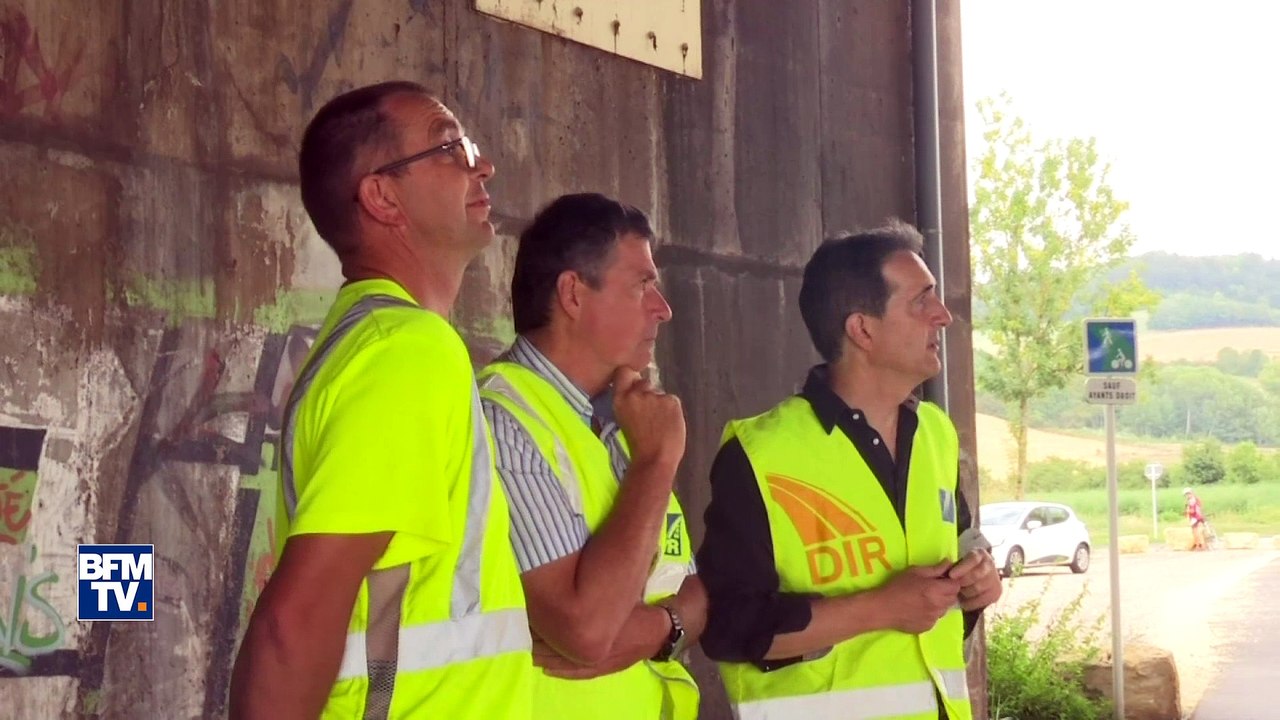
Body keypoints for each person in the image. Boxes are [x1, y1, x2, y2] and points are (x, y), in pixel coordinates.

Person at [229, 81, 532, 719]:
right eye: (449, 148)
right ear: (382, 196)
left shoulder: (377, 341)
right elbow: (295, 622)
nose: (481, 164)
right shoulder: (404, 351)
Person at [696, 220, 1003, 720]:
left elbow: (962, 547)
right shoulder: (761, 453)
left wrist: (979, 584)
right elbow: (727, 626)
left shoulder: (936, 434)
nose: (943, 316)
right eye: (921, 301)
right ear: (862, 330)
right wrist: (880, 608)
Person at [478, 193, 704, 720]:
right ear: (573, 294)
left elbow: (694, 590)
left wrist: (660, 626)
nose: (663, 308)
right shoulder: (504, 419)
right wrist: (656, 463)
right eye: (641, 285)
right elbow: (587, 630)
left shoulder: (626, 418)